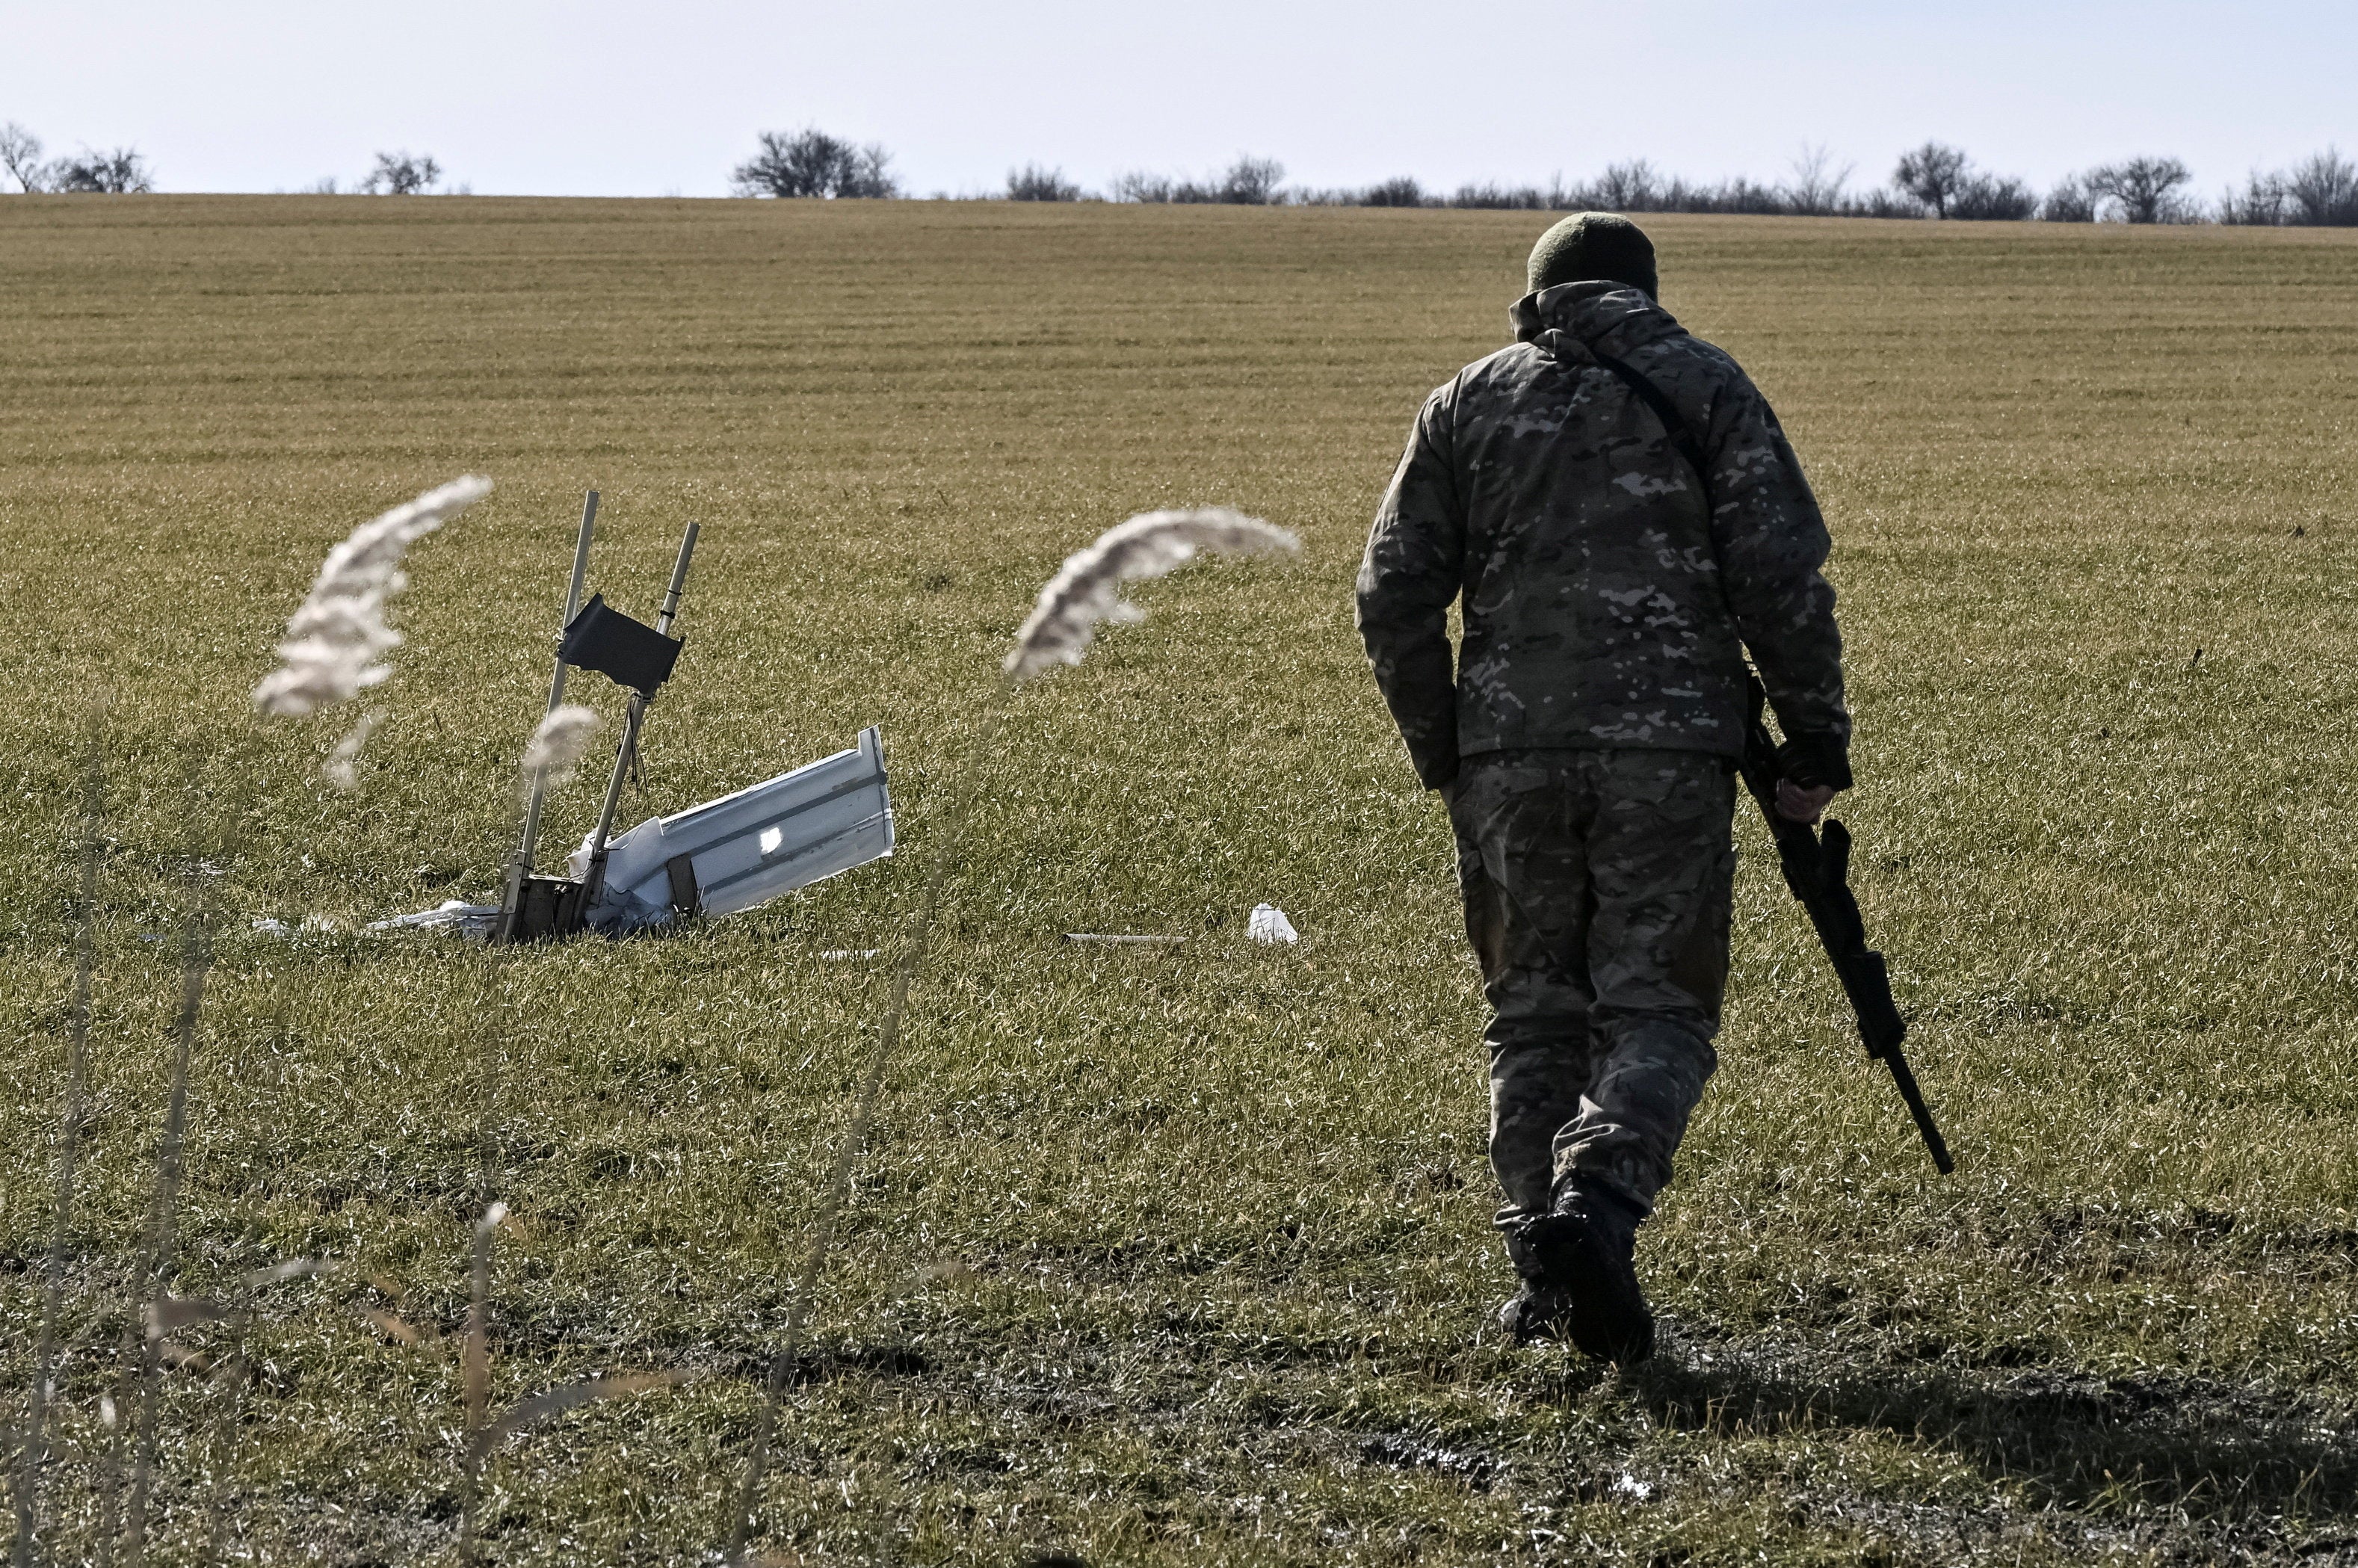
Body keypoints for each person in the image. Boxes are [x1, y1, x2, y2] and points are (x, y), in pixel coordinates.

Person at [1354, 212, 1851, 1363]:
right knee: (1660, 1011)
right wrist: (1814, 739)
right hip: (1670, 761)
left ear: (1538, 298)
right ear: (1646, 289)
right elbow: (1781, 573)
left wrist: (1450, 751)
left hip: (1510, 766)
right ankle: (1597, 1204)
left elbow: (1389, 593)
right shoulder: (1711, 389)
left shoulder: (1469, 402)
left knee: (1532, 1017)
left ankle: (1544, 1281)